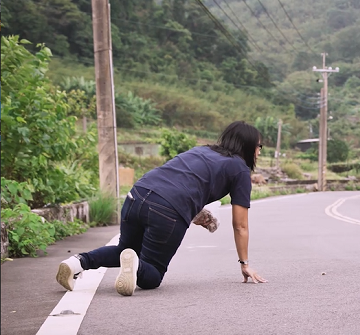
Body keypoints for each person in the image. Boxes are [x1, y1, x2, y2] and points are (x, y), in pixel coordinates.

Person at [56, 121, 267, 296]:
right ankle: (136, 266)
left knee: (124, 249)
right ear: (247, 147)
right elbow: (240, 225)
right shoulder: (239, 169)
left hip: (136, 194)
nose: (259, 151)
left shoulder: (202, 151)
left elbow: (180, 181)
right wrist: (244, 263)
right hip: (167, 210)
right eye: (259, 146)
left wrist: (195, 212)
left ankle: (76, 263)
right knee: (153, 276)